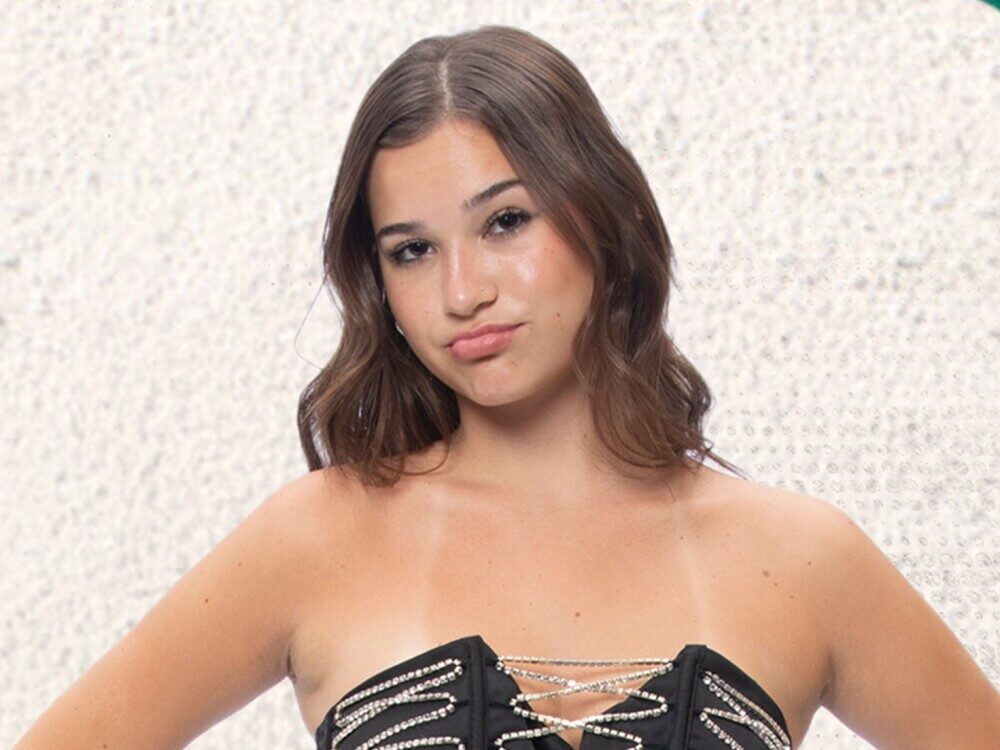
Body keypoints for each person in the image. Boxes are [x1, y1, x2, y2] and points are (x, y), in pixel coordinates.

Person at [15, 24, 1000, 750]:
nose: (462, 291)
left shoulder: (802, 558)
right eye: (411, 250)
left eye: (504, 223)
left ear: (601, 217)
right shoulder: (319, 539)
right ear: (379, 284)